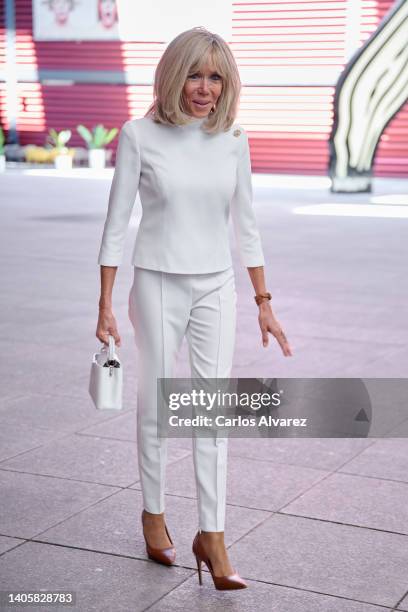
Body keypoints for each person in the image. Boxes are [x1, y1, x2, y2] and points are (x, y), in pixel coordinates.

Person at [96, 26, 292, 591]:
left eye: (215, 77)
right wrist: (105, 302)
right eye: (194, 74)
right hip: (157, 281)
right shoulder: (139, 135)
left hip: (216, 286)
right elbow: (116, 224)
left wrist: (263, 301)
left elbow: (247, 226)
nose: (204, 88)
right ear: (172, 74)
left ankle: (213, 534)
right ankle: (153, 514)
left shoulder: (233, 139)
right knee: (157, 405)